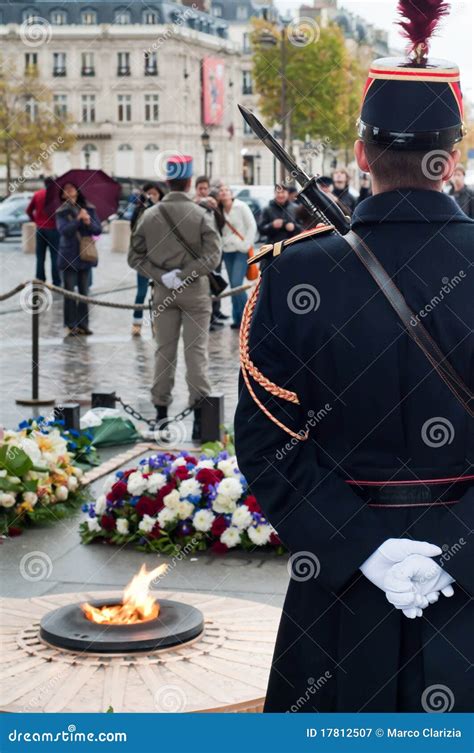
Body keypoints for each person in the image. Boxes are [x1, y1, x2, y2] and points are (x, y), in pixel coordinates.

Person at [235, 0, 472, 713]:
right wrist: (456, 545)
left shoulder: (290, 275)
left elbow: (267, 445)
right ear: (452, 156)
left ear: (362, 152)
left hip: (340, 594)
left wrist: (366, 547)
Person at [128, 155, 221, 439]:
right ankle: (199, 419)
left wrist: (161, 275)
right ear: (190, 181)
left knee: (163, 353)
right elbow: (213, 257)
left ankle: (160, 414)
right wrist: (188, 273)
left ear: (167, 181)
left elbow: (134, 257)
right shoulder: (200, 214)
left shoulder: (150, 215)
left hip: (164, 291)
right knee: (196, 354)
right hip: (195, 291)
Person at [56, 182, 102, 336]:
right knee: (69, 293)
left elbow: (98, 229)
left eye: (71, 188)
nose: (69, 191)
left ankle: (84, 324)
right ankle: (70, 325)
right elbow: (64, 231)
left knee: (84, 292)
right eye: (65, 189)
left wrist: (88, 221)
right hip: (68, 254)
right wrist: (77, 220)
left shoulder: (89, 208)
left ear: (77, 191)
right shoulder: (61, 211)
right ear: (62, 195)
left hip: (85, 254)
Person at [218, 185, 257, 330]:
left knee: (236, 284)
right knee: (234, 286)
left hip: (241, 250)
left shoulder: (241, 207)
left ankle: (249, 317)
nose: (223, 192)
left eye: (226, 190)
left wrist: (246, 245)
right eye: (221, 191)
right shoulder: (219, 210)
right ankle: (237, 318)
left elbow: (252, 226)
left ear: (231, 193)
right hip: (227, 251)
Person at [130, 182, 164, 337]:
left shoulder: (165, 210)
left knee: (159, 293)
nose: (152, 196)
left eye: (155, 194)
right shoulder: (139, 210)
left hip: (161, 258)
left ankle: (157, 323)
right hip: (144, 258)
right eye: (149, 194)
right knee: (141, 292)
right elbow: (134, 231)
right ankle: (136, 324)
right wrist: (145, 209)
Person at [194, 175, 228, 331]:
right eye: (200, 188)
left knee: (215, 282)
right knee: (203, 286)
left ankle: (215, 314)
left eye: (205, 188)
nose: (202, 191)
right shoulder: (192, 204)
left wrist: (216, 208)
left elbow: (221, 224)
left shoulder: (213, 203)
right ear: (196, 189)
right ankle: (206, 319)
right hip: (200, 252)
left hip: (214, 250)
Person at [26, 177, 61, 286]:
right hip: (54, 229)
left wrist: (35, 220)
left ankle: (40, 279)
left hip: (40, 229)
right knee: (55, 256)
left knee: (40, 257)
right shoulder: (56, 196)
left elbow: (28, 210)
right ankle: (56, 281)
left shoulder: (38, 194)